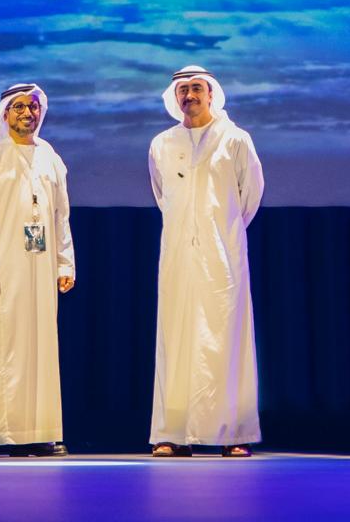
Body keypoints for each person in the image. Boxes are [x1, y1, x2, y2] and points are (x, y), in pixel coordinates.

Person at [148, 65, 264, 458]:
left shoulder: (236, 140)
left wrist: (220, 233)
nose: (189, 96)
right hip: (179, 254)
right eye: (183, 90)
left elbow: (250, 196)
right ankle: (172, 433)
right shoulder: (162, 144)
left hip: (222, 256)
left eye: (197, 88)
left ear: (211, 93)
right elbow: (163, 196)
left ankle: (233, 433)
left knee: (226, 341)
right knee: (176, 339)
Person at [0, 82, 75, 457]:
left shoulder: (51, 157)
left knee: (41, 348)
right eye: (19, 107)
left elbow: (61, 215)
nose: (28, 113)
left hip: (40, 270)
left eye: (33, 107)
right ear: (5, 114)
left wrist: (64, 261)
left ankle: (40, 432)